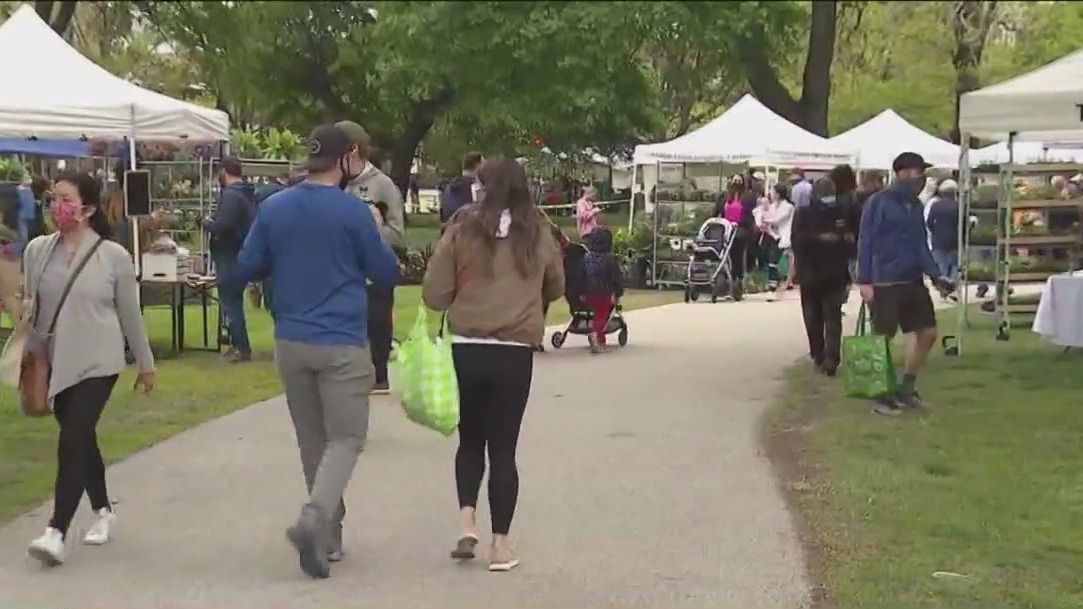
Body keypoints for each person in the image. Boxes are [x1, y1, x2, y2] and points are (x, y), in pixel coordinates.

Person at [235, 124, 399, 579]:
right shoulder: (353, 212)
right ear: (346, 158)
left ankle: (328, 538)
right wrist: (377, 230)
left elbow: (248, 265)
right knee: (346, 437)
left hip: (291, 337)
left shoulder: (274, 207)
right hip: (341, 338)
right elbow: (385, 272)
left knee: (313, 440)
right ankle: (315, 517)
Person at [422, 157, 564, 572]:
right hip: (515, 350)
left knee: (471, 440)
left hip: (468, 345)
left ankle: (467, 521)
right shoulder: (538, 232)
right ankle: (500, 546)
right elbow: (556, 283)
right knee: (504, 449)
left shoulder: (462, 229)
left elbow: (434, 292)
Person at [25, 171, 155, 567]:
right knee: (80, 437)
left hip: (99, 359)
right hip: (56, 359)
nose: (56, 207)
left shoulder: (113, 256)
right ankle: (103, 510)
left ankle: (56, 531)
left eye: (65, 199)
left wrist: (146, 364)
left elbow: (130, 315)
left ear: (88, 208)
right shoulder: (38, 251)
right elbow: (34, 308)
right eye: (52, 198)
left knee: (74, 436)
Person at [857, 152, 953, 415]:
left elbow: (921, 244)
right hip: (885, 280)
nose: (920, 177)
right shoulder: (879, 203)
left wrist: (936, 275)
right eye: (916, 171)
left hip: (912, 278)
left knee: (928, 332)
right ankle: (881, 395)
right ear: (902, 173)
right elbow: (865, 240)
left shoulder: (916, 205)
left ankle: (906, 388)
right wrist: (865, 280)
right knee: (882, 339)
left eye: (921, 172)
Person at [336, 120, 405, 395]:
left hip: (374, 275)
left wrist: (373, 230)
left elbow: (398, 234)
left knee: (377, 322)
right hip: (343, 272)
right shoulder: (335, 184)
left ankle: (379, 374)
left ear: (352, 150)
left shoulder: (383, 186)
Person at [792, 177, 854, 376]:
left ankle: (829, 357)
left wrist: (846, 240)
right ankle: (819, 352)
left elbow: (848, 243)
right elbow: (798, 241)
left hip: (832, 272)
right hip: (812, 272)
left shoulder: (840, 213)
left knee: (829, 315)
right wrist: (821, 238)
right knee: (816, 316)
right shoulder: (804, 214)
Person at [204, 157, 256, 363]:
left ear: (225, 172)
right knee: (232, 302)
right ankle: (238, 344)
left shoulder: (231, 196)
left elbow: (223, 225)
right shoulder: (246, 194)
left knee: (231, 303)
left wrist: (207, 224)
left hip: (229, 255)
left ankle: (241, 347)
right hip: (240, 253)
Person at [581, 227, 623, 353]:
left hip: (588, 292)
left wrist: (581, 292)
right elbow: (616, 278)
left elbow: (581, 276)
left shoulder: (586, 258)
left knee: (596, 314)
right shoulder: (610, 259)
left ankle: (601, 341)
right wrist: (617, 293)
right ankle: (595, 334)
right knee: (602, 316)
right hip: (604, 292)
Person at [762, 183, 795, 301]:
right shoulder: (772, 206)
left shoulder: (788, 207)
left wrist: (765, 218)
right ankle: (774, 283)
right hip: (772, 235)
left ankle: (772, 288)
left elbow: (777, 220)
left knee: (774, 261)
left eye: (773, 191)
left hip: (782, 236)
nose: (771, 194)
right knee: (770, 261)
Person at [926, 179, 961, 285]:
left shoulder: (935, 205)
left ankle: (943, 289)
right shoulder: (958, 206)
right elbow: (963, 224)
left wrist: (935, 233)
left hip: (938, 242)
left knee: (941, 268)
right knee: (954, 266)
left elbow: (929, 222)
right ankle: (952, 287)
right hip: (954, 241)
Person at [441, 151, 484, 227]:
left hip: (449, 230)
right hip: (468, 231)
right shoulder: (476, 187)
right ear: (478, 166)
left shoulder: (449, 188)